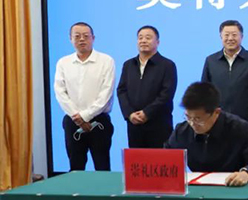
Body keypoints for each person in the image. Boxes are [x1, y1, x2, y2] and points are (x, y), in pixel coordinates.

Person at [165, 82, 248, 186]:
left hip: (233, 186)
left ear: (216, 112)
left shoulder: (239, 128)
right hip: (199, 188)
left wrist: (246, 174)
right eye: (188, 117)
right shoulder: (182, 131)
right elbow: (166, 158)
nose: (192, 124)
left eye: (198, 119)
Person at [54, 22, 116, 171]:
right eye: (77, 36)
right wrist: (77, 117)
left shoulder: (106, 61)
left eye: (86, 36)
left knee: (102, 166)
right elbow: (60, 92)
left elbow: (106, 92)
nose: (82, 39)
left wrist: (86, 116)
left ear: (93, 38)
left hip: (99, 121)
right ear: (70, 39)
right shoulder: (63, 63)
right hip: (72, 121)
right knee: (75, 166)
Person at [116, 25, 178, 149]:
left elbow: (166, 94)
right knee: (136, 159)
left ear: (157, 42)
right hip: (134, 125)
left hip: (159, 124)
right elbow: (121, 90)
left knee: (160, 159)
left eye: (148, 38)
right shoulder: (128, 65)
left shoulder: (167, 65)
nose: (143, 41)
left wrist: (146, 113)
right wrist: (130, 114)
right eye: (140, 38)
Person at [201, 20, 248, 127]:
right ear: (221, 37)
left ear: (242, 37)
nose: (230, 38)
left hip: (246, 121)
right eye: (226, 35)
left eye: (234, 35)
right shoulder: (211, 61)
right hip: (217, 120)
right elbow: (205, 93)